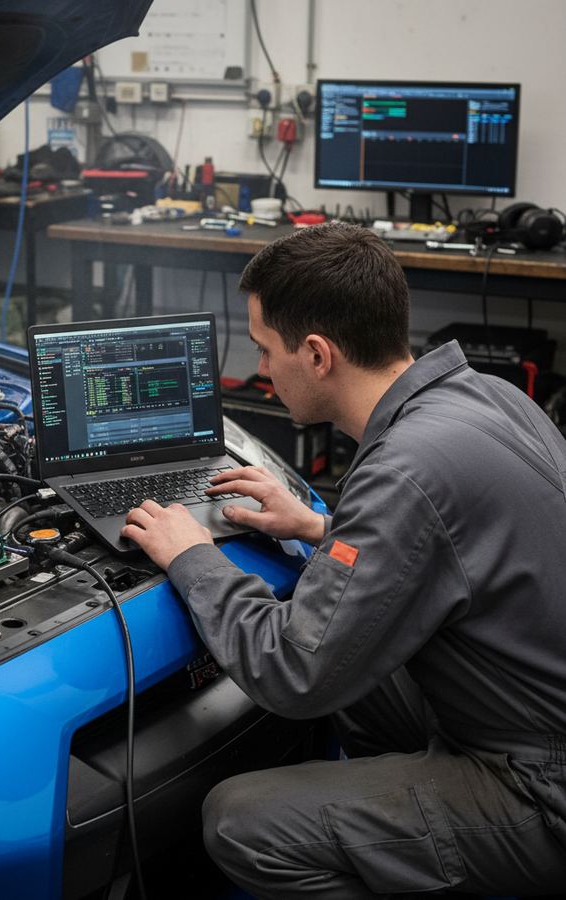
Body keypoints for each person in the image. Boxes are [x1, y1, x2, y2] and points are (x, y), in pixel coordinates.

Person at [121, 222, 566, 898]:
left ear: (319, 354)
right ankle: (403, 836)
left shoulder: (404, 471)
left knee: (240, 822)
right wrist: (319, 525)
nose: (263, 373)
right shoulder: (484, 396)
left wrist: (193, 557)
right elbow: (451, 542)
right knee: (365, 676)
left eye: (267, 351)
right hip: (529, 719)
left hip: (540, 792)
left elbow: (296, 672)